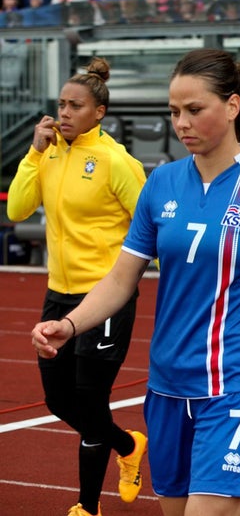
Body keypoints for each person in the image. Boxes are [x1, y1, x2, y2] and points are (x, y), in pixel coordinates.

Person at [30, 48, 240, 515]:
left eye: (194, 110)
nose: (181, 122)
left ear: (231, 107)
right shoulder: (159, 185)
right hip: (165, 388)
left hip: (237, 385)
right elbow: (122, 278)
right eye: (174, 112)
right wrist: (70, 323)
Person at [9, 58, 147, 516]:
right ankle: (128, 444)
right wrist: (32, 152)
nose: (64, 113)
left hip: (105, 295)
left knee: (90, 400)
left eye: (75, 106)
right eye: (61, 105)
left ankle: (88, 507)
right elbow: (18, 211)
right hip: (58, 293)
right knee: (57, 400)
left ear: (99, 112)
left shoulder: (117, 162)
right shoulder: (47, 153)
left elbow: (150, 226)